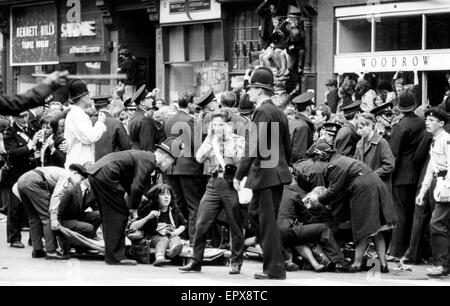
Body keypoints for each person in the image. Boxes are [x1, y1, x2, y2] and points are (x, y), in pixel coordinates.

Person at [233, 67, 292, 280]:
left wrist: (239, 175)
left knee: (264, 220)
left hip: (266, 174)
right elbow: (288, 145)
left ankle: (275, 268)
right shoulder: (279, 112)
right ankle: (279, 256)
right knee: (255, 215)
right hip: (274, 173)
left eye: (250, 88)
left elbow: (252, 147)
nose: (248, 93)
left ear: (259, 89)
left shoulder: (262, 112)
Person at [86, 138, 179, 265]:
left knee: (109, 216)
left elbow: (129, 181)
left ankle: (112, 255)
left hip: (98, 173)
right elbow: (137, 186)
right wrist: (133, 209)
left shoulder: (146, 157)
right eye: (172, 163)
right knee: (119, 215)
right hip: (106, 175)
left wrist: (137, 196)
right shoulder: (149, 161)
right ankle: (116, 257)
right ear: (167, 158)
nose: (170, 167)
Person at [308, 142, 397, 273]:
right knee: (376, 229)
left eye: (316, 158)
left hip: (364, 189)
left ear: (323, 156)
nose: (316, 162)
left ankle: (356, 264)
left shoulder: (335, 166)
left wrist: (318, 200)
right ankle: (383, 264)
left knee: (364, 229)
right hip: (374, 185)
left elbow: (333, 191)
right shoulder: (340, 160)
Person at [180, 109, 246, 274]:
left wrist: (227, 140)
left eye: (221, 125)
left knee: (235, 225)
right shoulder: (211, 141)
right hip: (213, 183)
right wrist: (210, 140)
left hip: (231, 184)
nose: (217, 127)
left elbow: (240, 159)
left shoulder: (238, 140)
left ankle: (236, 262)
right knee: (201, 223)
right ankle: (196, 260)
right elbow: (199, 157)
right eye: (214, 125)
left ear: (229, 125)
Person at [278, 181, 351, 273]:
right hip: (288, 230)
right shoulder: (294, 195)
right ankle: (340, 262)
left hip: (272, 233)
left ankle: (293, 260)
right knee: (322, 229)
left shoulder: (272, 196)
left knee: (299, 238)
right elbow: (306, 218)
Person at [14, 165, 84, 259]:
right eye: (82, 178)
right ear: (75, 173)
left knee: (33, 218)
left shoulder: (59, 172)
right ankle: (51, 251)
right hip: (34, 181)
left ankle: (37, 250)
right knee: (47, 217)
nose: (81, 182)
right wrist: (54, 216)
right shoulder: (67, 176)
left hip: (21, 180)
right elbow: (56, 196)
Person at [388, 89, 426, 260]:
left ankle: (396, 251)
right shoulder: (423, 122)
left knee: (400, 213)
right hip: (419, 173)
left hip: (402, 174)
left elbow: (393, 154)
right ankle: (414, 251)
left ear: (399, 106)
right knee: (414, 214)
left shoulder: (399, 125)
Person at [165, 93, 206, 244]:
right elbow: (196, 144)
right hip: (188, 167)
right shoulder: (190, 120)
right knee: (194, 204)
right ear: (189, 104)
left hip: (172, 166)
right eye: (194, 103)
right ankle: (194, 238)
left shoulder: (169, 119)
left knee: (178, 202)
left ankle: (181, 236)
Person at [416, 108, 450, 277]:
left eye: (432, 120)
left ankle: (442, 265)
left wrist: (447, 188)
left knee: (436, 224)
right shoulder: (435, 140)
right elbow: (431, 168)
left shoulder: (446, 140)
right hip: (439, 184)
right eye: (427, 120)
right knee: (442, 225)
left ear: (441, 123)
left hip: (446, 185)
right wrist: (423, 191)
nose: (427, 123)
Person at [3, 111, 43, 248]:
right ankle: (14, 238)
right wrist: (30, 145)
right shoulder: (10, 132)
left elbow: (38, 146)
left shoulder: (32, 128)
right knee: (15, 207)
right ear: (14, 117)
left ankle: (34, 238)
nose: (24, 119)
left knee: (33, 205)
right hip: (16, 172)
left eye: (26, 115)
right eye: (21, 116)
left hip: (31, 170)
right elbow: (13, 153)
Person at [132, 184, 186, 266]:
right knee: (163, 240)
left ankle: (173, 251)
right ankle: (160, 257)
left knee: (176, 238)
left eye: (168, 194)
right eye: (162, 194)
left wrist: (178, 231)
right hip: (154, 237)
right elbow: (133, 227)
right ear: (156, 197)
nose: (166, 197)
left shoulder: (174, 210)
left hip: (170, 236)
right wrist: (148, 217)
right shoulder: (149, 209)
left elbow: (183, 224)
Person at [64, 80, 107, 168]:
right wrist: (100, 123)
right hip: (79, 164)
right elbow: (89, 137)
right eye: (87, 94)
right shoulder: (78, 115)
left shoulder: (76, 113)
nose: (89, 96)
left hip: (77, 162)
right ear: (83, 98)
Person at [354, 113, 395, 195]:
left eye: (361, 128)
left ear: (370, 126)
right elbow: (355, 164)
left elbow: (389, 166)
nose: (358, 131)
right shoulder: (360, 143)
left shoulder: (382, 143)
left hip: (379, 189)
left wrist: (371, 176)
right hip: (364, 188)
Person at [57, 165, 100, 240]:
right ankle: (76, 243)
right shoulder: (71, 190)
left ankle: (90, 236)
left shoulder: (92, 191)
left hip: (78, 216)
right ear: (85, 178)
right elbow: (60, 212)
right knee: (89, 227)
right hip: (66, 220)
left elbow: (96, 208)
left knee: (100, 214)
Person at [90, 95, 130, 161]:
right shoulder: (116, 123)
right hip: (109, 164)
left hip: (90, 164)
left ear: (94, 107)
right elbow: (126, 146)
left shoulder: (88, 121)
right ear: (109, 106)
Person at [128, 85, 160, 151]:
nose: (152, 100)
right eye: (148, 98)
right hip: (143, 157)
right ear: (142, 102)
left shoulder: (136, 115)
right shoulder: (145, 119)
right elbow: (147, 146)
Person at [289, 91, 315, 164]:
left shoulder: (292, 121)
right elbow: (299, 154)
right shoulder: (303, 126)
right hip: (296, 167)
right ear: (308, 108)